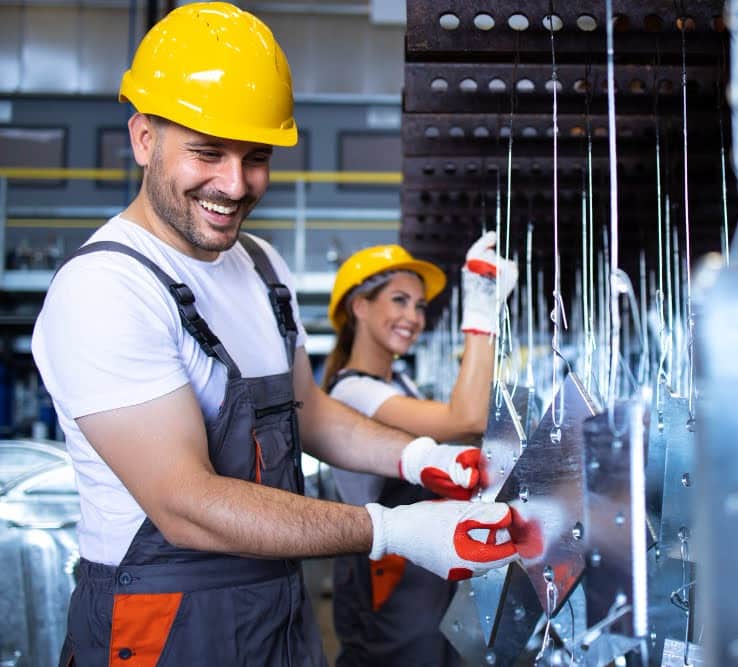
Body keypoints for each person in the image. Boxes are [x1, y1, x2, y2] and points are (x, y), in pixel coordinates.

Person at [30, 4, 516, 666]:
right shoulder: (106, 289)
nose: (234, 184)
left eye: (255, 157)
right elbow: (186, 504)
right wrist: (395, 529)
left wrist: (419, 458)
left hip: (276, 606)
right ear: (145, 138)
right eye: (207, 152)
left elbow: (310, 414)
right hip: (164, 624)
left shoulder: (260, 266)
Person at [320, 236, 517, 666]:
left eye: (420, 305)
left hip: (416, 563)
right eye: (400, 300)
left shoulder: (398, 386)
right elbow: (467, 418)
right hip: (386, 571)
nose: (413, 316)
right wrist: (482, 316)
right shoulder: (354, 391)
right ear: (360, 306)